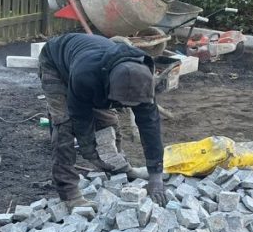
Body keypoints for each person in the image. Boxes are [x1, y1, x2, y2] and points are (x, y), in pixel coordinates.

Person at [37, 33, 167, 208]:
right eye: (120, 102)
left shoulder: (142, 81)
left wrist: (156, 176)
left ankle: (120, 169)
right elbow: (80, 117)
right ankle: (69, 194)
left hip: (94, 72)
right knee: (65, 125)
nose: (124, 106)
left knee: (108, 124)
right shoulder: (86, 76)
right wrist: (88, 148)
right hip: (55, 62)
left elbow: (150, 126)